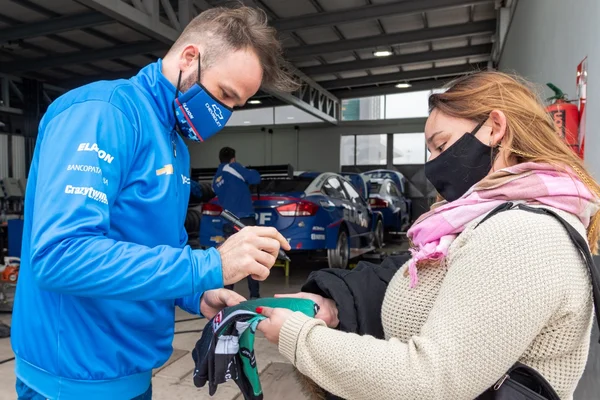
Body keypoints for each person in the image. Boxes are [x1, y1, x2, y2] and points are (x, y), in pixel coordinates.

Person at [256, 71, 600, 400]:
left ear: (495, 127)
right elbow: (419, 282)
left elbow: (433, 379)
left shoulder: (524, 235)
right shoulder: (482, 220)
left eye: (442, 145)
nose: (433, 165)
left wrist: (299, 338)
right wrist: (333, 303)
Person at [11, 5, 296, 400]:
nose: (224, 114)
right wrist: (207, 265)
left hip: (133, 372)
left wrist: (196, 294)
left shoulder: (173, 144)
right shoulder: (103, 114)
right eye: (224, 94)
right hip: (71, 381)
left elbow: (159, 249)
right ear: (189, 57)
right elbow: (60, 255)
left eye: (236, 105)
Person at [213, 146, 262, 298]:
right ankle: (254, 295)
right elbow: (255, 178)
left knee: (230, 257)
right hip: (244, 219)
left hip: (228, 220)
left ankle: (227, 295)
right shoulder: (233, 167)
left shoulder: (216, 178)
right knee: (251, 255)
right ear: (233, 158)